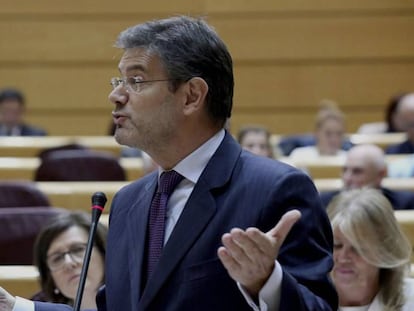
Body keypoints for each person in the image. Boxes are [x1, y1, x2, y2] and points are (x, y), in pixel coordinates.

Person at [0, 15, 337, 311]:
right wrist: (17, 307)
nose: (116, 96)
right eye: (119, 81)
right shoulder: (128, 202)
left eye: (136, 80)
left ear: (191, 96)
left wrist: (267, 283)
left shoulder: (274, 190)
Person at [327, 188, 414, 310]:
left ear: (385, 250)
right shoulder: (304, 300)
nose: (343, 257)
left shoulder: (411, 299)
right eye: (337, 245)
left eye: (357, 248)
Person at [30, 211, 107, 310]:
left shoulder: (131, 300)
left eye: (78, 249)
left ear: (103, 252)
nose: (69, 263)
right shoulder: (35, 307)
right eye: (57, 258)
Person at [319, 144, 414, 210]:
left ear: (380, 174)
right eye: (345, 170)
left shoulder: (405, 204)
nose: (347, 178)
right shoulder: (325, 203)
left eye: (357, 171)